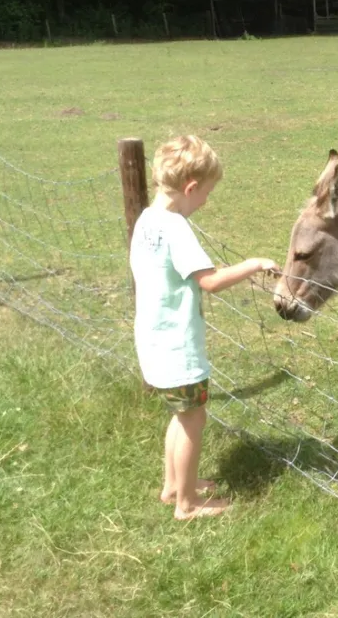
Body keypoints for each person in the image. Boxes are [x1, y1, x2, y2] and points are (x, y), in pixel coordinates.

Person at [129, 134, 276, 520]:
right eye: (207, 193)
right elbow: (209, 280)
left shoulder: (147, 220)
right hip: (178, 347)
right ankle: (188, 505)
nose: (207, 202)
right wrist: (254, 264)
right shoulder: (176, 228)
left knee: (180, 416)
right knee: (194, 419)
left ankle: (174, 486)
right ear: (191, 188)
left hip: (152, 341)